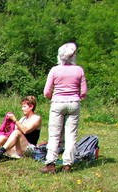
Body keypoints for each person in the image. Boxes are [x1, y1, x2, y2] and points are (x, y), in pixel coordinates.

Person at [40, 42, 87, 173]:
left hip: (57, 103)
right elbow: (83, 92)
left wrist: (52, 97)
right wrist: (77, 97)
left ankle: (50, 164)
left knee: (54, 135)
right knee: (71, 135)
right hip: (73, 103)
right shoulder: (79, 70)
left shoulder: (55, 70)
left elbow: (46, 92)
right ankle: (67, 164)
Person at [0, 96, 42, 163]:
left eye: (24, 106)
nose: (22, 109)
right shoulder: (23, 119)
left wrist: (14, 120)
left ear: (31, 107)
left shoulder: (36, 118)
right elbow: (13, 132)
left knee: (17, 132)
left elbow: (25, 130)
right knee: (3, 137)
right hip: (18, 148)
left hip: (29, 149)